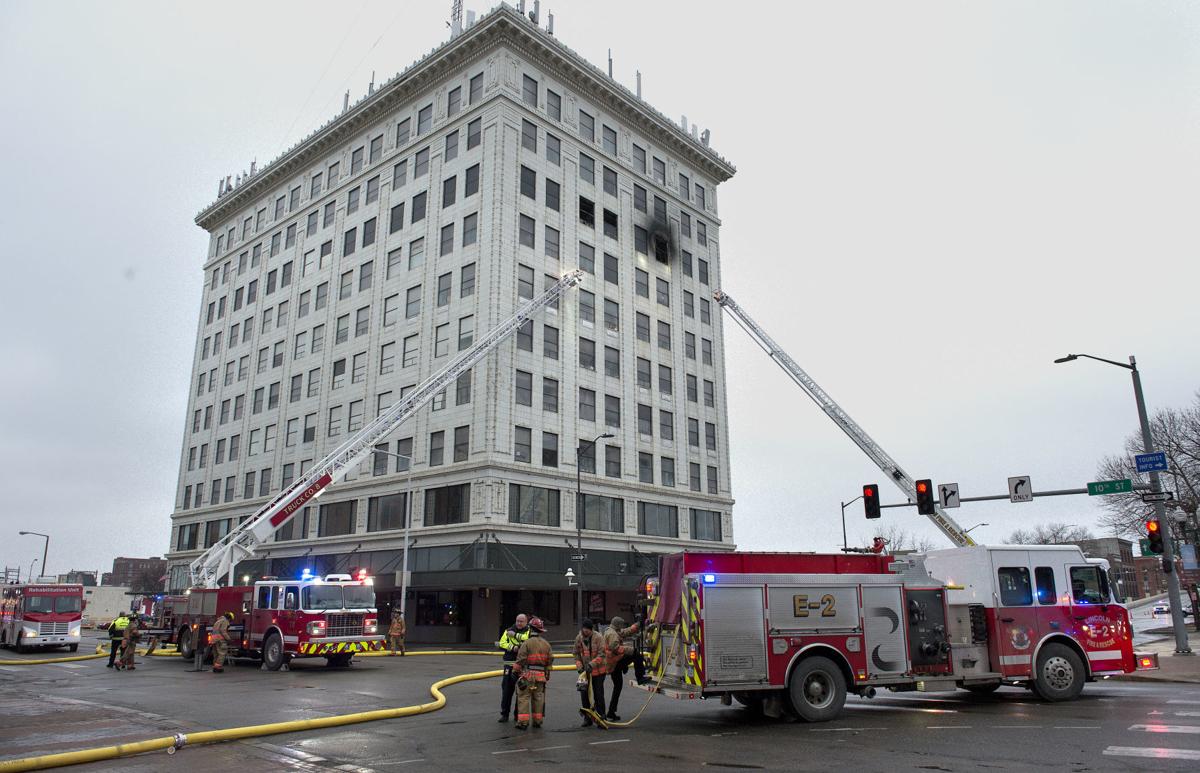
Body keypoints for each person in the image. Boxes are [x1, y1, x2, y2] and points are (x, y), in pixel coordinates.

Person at [601, 615, 649, 721]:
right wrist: (630, 650)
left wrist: (637, 625)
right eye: (621, 625)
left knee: (618, 687)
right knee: (636, 654)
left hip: (613, 664)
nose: (622, 627)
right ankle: (640, 677)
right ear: (617, 625)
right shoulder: (612, 634)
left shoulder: (612, 631)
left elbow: (625, 632)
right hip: (615, 663)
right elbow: (615, 648)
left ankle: (611, 712)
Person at [511, 616, 552, 730]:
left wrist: (515, 671)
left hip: (527, 675)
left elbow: (521, 659)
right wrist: (547, 674)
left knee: (524, 697)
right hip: (540, 676)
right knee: (538, 698)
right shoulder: (546, 644)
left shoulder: (526, 643)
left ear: (530, 629)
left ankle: (523, 723)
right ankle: (537, 721)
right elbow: (550, 660)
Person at [496, 613, 531, 722]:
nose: (519, 623)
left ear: (526, 622)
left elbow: (528, 640)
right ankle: (504, 714)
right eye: (517, 621)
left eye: (521, 621)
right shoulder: (508, 631)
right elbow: (502, 643)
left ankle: (518, 715)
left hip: (522, 666)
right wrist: (512, 648)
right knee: (506, 690)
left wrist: (515, 636)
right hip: (509, 665)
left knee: (521, 691)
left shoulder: (529, 631)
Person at [573, 618, 607, 727]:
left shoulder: (599, 638)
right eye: (584, 629)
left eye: (587, 629)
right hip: (585, 672)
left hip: (598, 671)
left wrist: (591, 664)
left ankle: (601, 717)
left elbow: (602, 654)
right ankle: (587, 718)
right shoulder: (579, 638)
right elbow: (576, 654)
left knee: (598, 694)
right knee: (584, 694)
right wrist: (579, 666)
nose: (585, 631)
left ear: (591, 629)